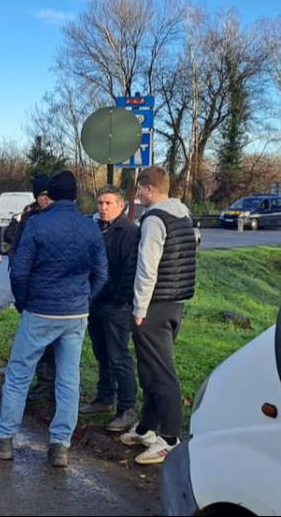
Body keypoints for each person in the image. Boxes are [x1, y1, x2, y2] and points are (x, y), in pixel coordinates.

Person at [0, 170, 108, 468]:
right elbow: (102, 273)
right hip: (76, 314)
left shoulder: (37, 224)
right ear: (74, 195)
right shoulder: (90, 228)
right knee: (69, 378)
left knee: (19, 373)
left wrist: (23, 302)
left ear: (51, 193)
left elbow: (20, 272)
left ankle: (3, 439)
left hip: (41, 310)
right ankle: (60, 446)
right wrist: (86, 299)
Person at [122, 166, 197, 465]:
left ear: (149, 188)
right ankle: (146, 428)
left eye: (140, 190)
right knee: (151, 367)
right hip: (175, 302)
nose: (138, 195)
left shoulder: (154, 219)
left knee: (162, 372)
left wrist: (140, 308)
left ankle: (168, 438)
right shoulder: (183, 213)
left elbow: (147, 267)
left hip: (153, 305)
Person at [78, 186, 140, 432]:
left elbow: (130, 269)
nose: (103, 207)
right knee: (101, 352)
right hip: (95, 301)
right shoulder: (96, 229)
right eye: (101, 203)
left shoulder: (128, 232)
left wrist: (119, 299)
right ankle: (104, 397)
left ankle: (127, 408)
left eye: (108, 203)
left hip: (116, 304)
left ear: (121, 206)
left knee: (119, 356)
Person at [0, 174, 57, 404]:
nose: (47, 200)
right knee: (33, 343)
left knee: (55, 345)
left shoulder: (58, 218)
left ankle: (50, 383)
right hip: (32, 289)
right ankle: (41, 382)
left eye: (49, 195)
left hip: (51, 291)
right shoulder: (28, 217)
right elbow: (17, 247)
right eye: (43, 195)